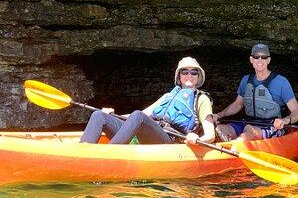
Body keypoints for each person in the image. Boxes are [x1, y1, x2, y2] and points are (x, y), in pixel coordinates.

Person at [80, 57, 215, 145]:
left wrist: (197, 140)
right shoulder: (168, 96)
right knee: (99, 115)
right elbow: (140, 117)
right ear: (179, 77)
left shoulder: (201, 99)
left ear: (198, 77)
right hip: (148, 135)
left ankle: (109, 154)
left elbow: (210, 135)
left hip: (169, 140)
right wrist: (110, 114)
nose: (189, 76)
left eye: (194, 72)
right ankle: (82, 153)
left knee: (139, 115)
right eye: (184, 72)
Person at [213, 43, 298, 142]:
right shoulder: (246, 80)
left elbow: (297, 113)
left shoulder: (281, 82)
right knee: (220, 129)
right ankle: (227, 148)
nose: (260, 60)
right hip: (249, 122)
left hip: (272, 125)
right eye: (256, 57)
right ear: (251, 60)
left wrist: (285, 120)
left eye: (263, 57)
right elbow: (238, 104)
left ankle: (233, 147)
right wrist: (219, 115)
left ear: (268, 60)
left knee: (249, 131)